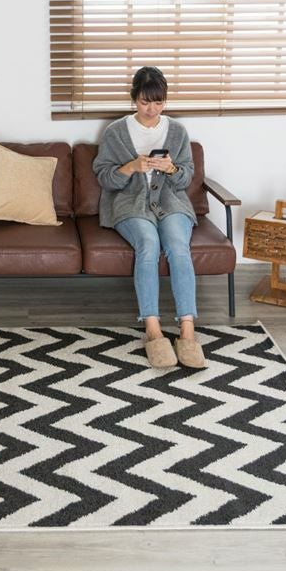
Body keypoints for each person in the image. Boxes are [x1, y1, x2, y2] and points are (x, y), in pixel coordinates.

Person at [93, 66, 206, 369]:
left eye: (158, 102)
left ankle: (187, 331)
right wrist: (131, 167)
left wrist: (171, 169)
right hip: (130, 204)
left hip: (171, 203)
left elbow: (186, 178)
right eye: (145, 102)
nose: (151, 109)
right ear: (134, 99)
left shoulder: (177, 131)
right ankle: (153, 330)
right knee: (148, 245)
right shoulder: (115, 132)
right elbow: (104, 177)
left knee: (178, 247)